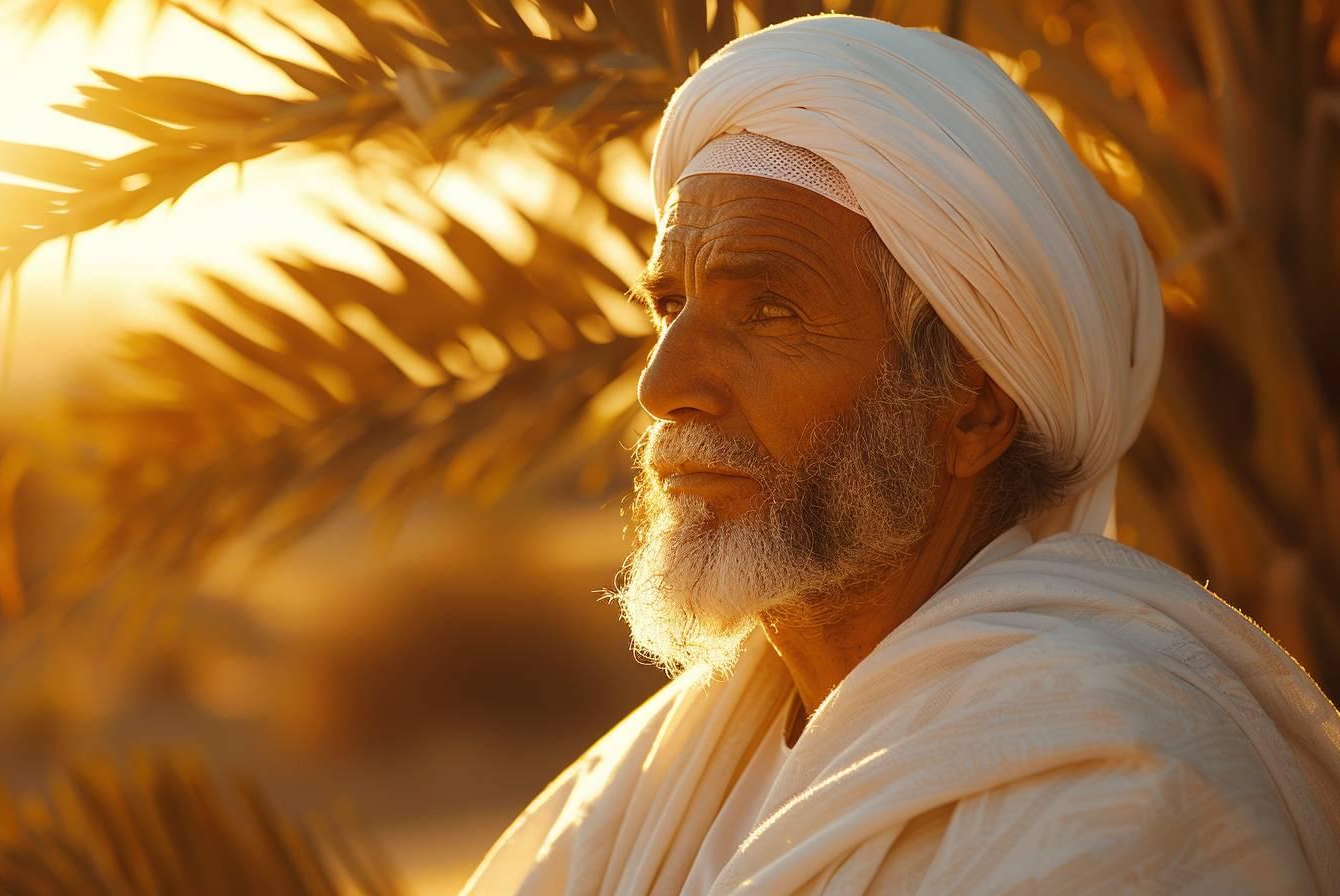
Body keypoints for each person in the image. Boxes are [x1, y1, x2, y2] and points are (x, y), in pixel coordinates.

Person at [463, 15, 1340, 894]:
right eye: (669, 306)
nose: (662, 386)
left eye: (768, 311)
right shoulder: (661, 776)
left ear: (973, 413)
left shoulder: (1121, 789)